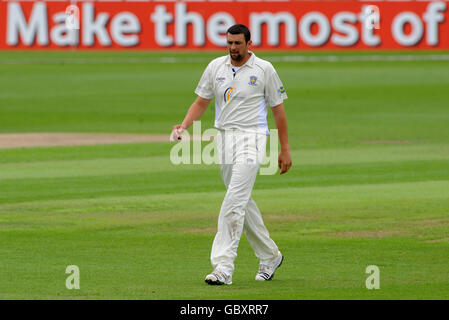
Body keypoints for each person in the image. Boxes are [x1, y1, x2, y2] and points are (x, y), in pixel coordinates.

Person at [171, 24, 292, 285]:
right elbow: (201, 102)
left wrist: (284, 149)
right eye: (229, 43)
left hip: (253, 138)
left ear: (249, 43)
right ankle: (270, 255)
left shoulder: (264, 69)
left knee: (233, 203)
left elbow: (278, 111)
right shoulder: (216, 67)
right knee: (241, 201)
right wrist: (183, 126)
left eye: (238, 43)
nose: (233, 48)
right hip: (224, 139)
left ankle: (223, 266)